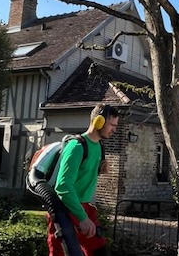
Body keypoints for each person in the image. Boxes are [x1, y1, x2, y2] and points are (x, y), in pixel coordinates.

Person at [47, 103, 120, 256]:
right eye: (112, 125)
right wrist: (82, 217)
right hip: (66, 209)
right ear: (98, 122)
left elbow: (81, 176)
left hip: (86, 207)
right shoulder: (76, 147)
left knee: (99, 251)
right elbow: (63, 186)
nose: (115, 130)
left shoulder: (99, 146)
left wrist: (98, 170)